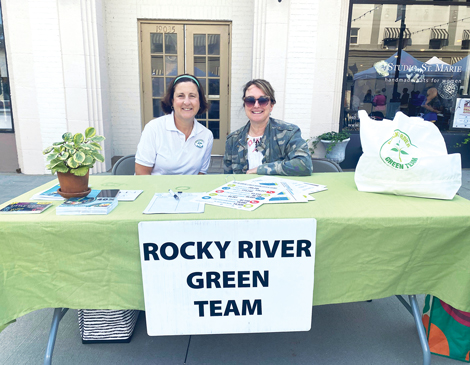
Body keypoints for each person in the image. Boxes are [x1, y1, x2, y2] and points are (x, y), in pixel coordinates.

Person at [223, 79, 312, 175]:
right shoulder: (233, 140)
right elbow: (228, 177)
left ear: (271, 105)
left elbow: (304, 165)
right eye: (250, 100)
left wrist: (261, 169)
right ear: (245, 104)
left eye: (263, 100)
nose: (256, 105)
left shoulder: (288, 133)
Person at [135, 74, 213, 175]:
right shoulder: (154, 128)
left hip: (189, 190)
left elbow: (201, 174)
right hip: (156, 189)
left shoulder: (206, 135)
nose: (187, 102)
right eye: (180, 96)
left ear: (200, 101)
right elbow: (141, 172)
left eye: (192, 96)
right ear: (172, 100)